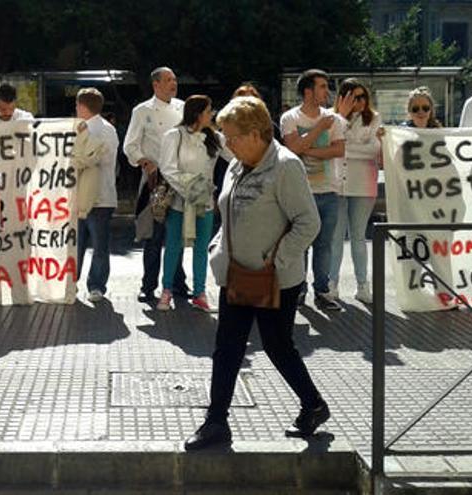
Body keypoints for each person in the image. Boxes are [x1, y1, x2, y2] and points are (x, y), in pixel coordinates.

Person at [184, 96, 329, 451]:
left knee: (279, 348)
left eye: (232, 136)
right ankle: (216, 421)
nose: (227, 144)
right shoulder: (238, 163)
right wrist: (219, 248)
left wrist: (278, 261)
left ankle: (313, 405)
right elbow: (229, 210)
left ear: (256, 133)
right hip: (236, 274)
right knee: (227, 349)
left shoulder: (285, 166)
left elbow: (309, 222)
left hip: (274, 280)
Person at [157, 95, 233, 312]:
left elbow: (235, 156)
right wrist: (190, 188)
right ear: (198, 113)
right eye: (209, 111)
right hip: (181, 201)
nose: (212, 115)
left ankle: (199, 292)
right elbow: (168, 167)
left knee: (201, 248)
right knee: (173, 247)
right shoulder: (174, 136)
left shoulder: (215, 138)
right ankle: (166, 290)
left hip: (205, 201)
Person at [123, 66, 190, 303]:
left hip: (181, 180)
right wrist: (144, 162)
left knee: (179, 234)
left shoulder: (184, 107)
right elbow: (130, 145)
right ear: (156, 85)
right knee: (154, 235)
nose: (174, 83)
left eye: (175, 79)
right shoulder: (142, 111)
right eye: (169, 79)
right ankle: (148, 286)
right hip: (157, 181)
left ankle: (178, 284)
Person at [280, 69, 345, 311]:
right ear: (307, 91)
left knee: (324, 244)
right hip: (299, 191)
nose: (327, 91)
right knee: (300, 244)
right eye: (322, 87)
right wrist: (317, 131)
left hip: (329, 189)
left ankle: (323, 291)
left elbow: (339, 150)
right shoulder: (290, 117)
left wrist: (306, 148)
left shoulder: (334, 119)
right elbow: (292, 148)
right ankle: (298, 289)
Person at [328, 79, 381, 304]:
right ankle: (331, 284)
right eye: (353, 97)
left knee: (359, 236)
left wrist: (346, 148)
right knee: (335, 238)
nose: (358, 102)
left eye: (362, 97)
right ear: (343, 98)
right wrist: (344, 120)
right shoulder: (333, 119)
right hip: (337, 183)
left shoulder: (374, 118)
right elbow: (332, 147)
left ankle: (363, 285)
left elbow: (373, 150)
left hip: (363, 184)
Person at [73, 88, 119, 303]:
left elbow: (98, 159)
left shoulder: (99, 130)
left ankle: (89, 284)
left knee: (90, 244)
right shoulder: (106, 129)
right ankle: (90, 285)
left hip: (97, 196)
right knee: (89, 244)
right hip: (94, 195)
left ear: (82, 106)